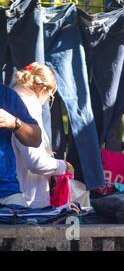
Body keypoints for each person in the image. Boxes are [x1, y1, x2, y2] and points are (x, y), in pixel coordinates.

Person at [11, 63, 74, 208]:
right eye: (50, 96)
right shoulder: (28, 107)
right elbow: (35, 161)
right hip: (26, 200)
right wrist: (63, 166)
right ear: (43, 90)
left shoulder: (13, 100)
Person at [0, 82, 42, 207]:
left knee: (30, 226)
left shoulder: (5, 94)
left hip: (7, 193)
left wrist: (14, 122)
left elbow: (36, 139)